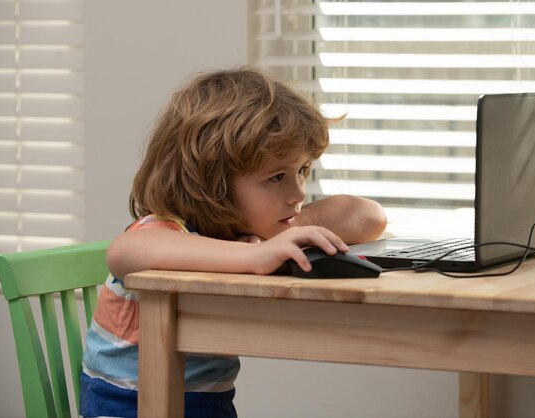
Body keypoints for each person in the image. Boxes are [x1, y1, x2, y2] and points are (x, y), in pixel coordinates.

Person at [79, 67, 386, 418]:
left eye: (302, 170)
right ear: (214, 181)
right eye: (277, 177)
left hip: (208, 406)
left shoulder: (251, 228)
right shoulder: (166, 229)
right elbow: (124, 251)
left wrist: (287, 231)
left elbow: (369, 215)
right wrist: (256, 254)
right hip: (127, 407)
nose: (298, 193)